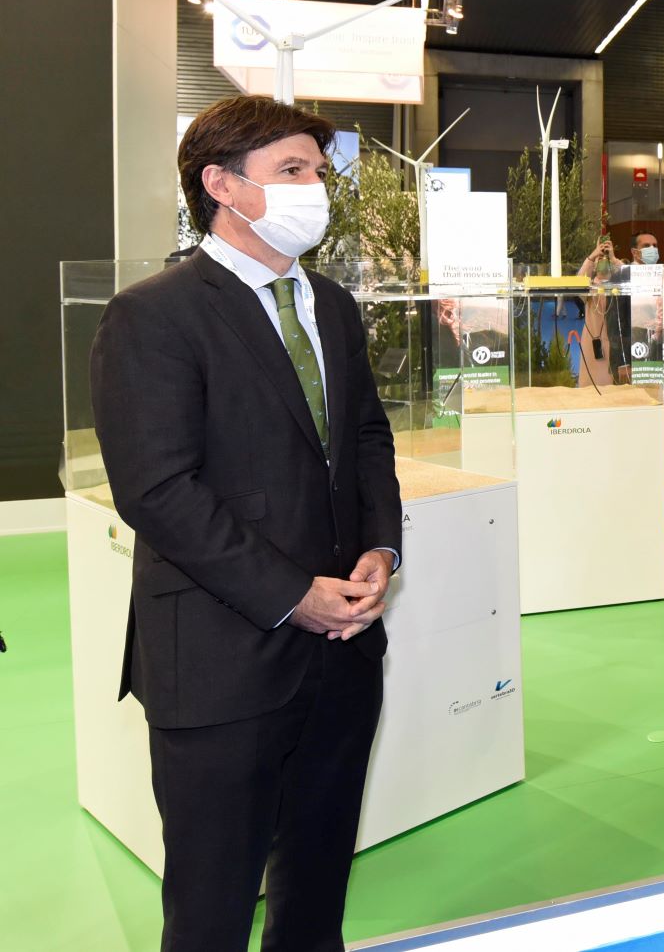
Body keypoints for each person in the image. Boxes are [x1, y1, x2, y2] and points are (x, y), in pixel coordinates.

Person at [88, 96, 402, 951]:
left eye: (318, 171)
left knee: (315, 885)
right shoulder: (153, 314)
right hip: (222, 657)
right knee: (213, 903)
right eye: (292, 171)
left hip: (342, 652)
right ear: (222, 185)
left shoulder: (331, 304)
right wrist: (293, 593)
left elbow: (366, 435)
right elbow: (158, 490)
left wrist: (380, 545)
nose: (316, 189)